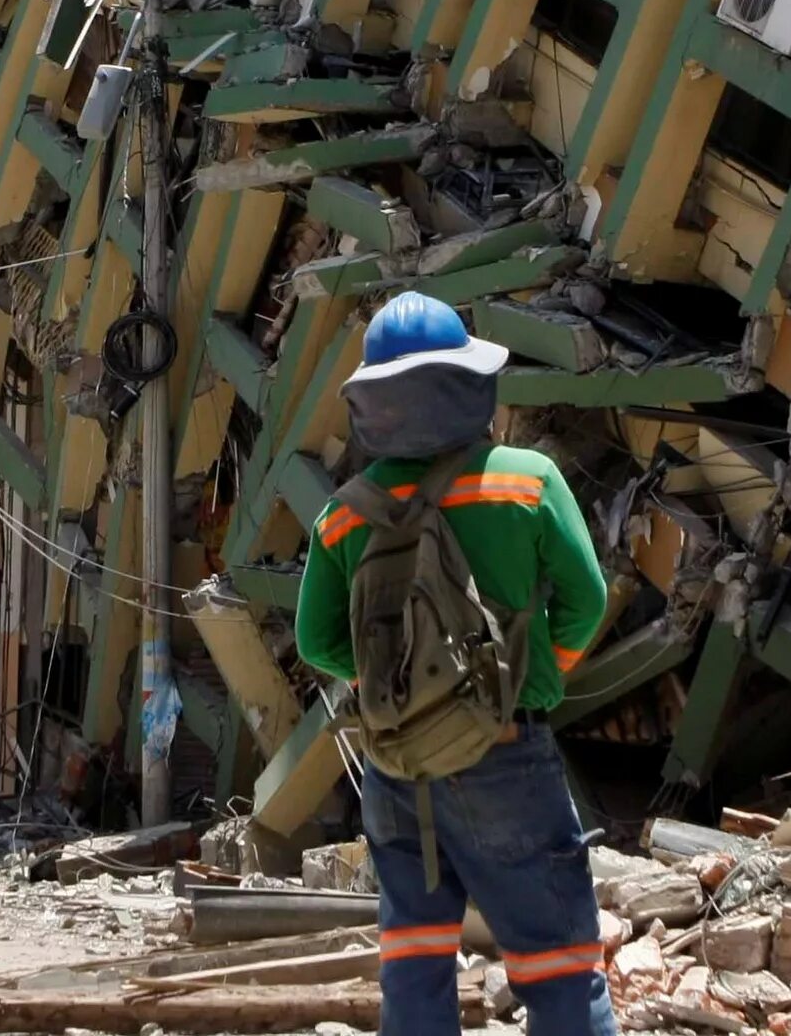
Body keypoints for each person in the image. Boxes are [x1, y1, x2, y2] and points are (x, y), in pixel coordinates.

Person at [296, 291, 615, 1036]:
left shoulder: (342, 513)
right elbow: (586, 600)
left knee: (414, 959)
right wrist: (528, 682)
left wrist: (398, 694)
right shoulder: (526, 481)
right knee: (558, 963)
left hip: (397, 769)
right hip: (508, 756)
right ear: (471, 385)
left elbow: (318, 643)